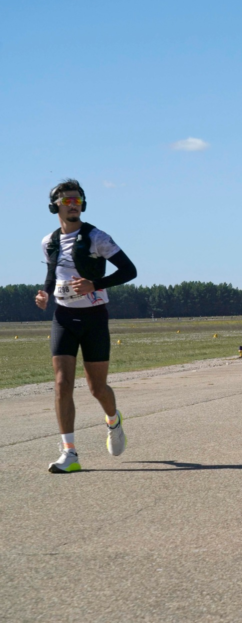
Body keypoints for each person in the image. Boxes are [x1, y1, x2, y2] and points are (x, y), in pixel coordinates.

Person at [35, 180, 137, 473]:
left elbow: (130, 271)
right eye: (67, 200)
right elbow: (53, 273)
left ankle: (113, 421)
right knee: (62, 383)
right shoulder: (49, 242)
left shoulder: (97, 237)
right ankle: (70, 454)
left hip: (94, 318)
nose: (73, 204)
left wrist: (96, 284)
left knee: (97, 388)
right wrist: (44, 293)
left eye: (77, 200)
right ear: (55, 206)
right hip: (63, 318)